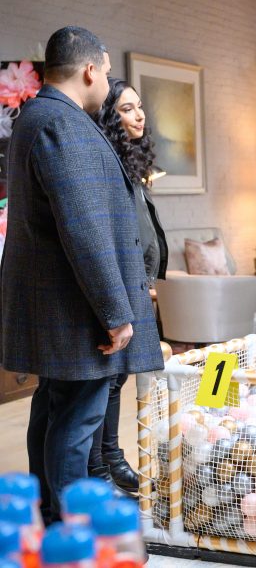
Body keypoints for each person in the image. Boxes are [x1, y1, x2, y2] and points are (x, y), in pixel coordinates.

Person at [1, 27, 164, 522]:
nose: (108, 83)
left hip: (59, 303)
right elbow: (84, 228)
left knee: (53, 411)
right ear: (91, 70)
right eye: (108, 73)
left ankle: (49, 514)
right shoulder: (62, 123)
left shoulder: (40, 116)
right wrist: (115, 313)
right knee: (76, 422)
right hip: (74, 309)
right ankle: (74, 528)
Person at [90, 77, 169, 494]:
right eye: (126, 109)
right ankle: (101, 466)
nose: (138, 116)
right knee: (106, 381)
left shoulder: (132, 164)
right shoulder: (105, 162)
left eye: (139, 107)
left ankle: (112, 457)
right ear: (109, 116)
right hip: (117, 287)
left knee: (118, 379)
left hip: (139, 285)